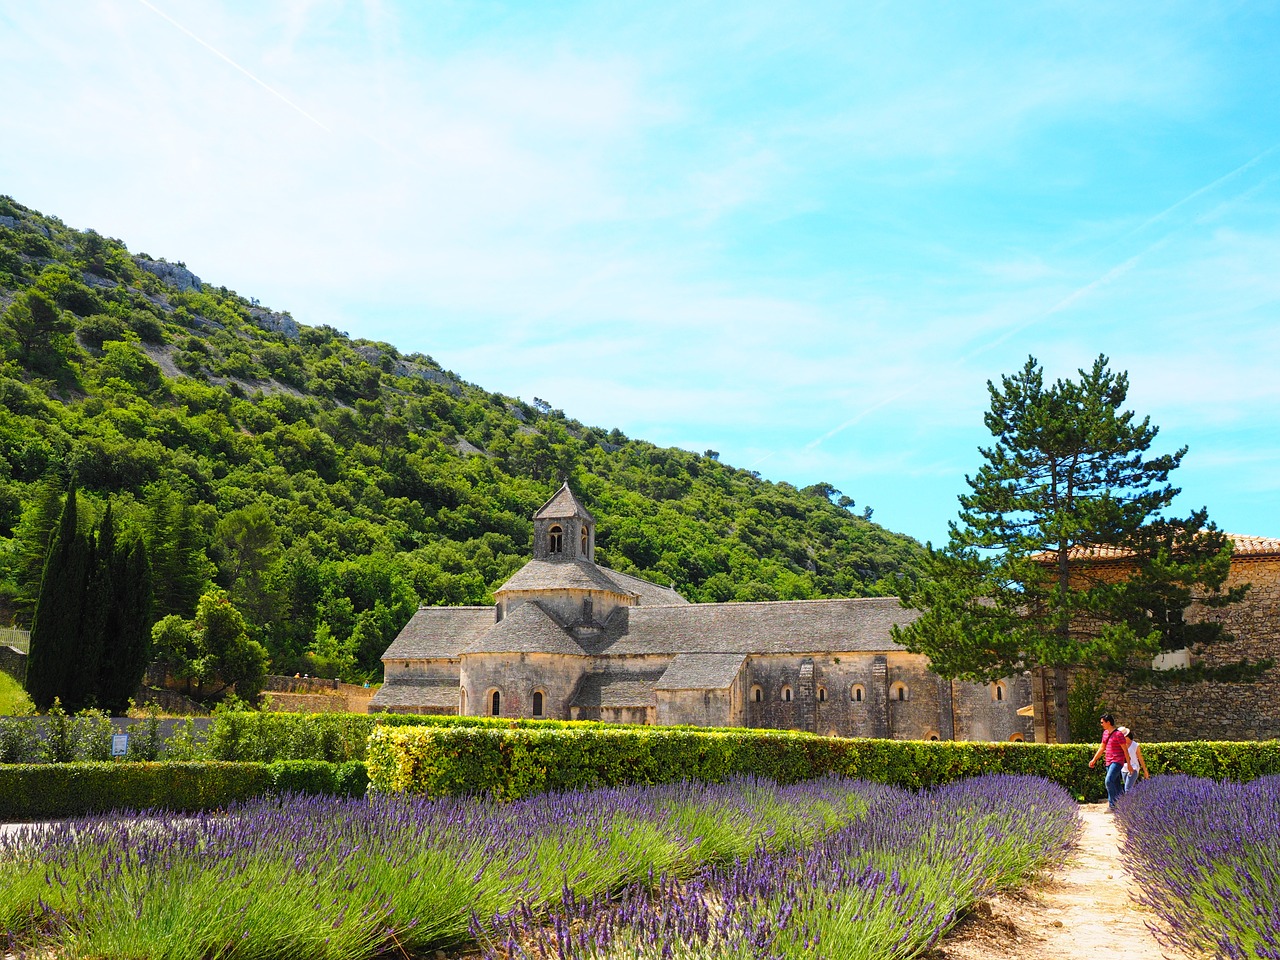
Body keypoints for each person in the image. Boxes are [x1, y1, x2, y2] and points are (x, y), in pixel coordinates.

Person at [1088, 714, 1129, 810]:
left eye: (1102, 722)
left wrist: (1129, 764)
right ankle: (1124, 804)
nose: (1101, 724)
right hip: (1108, 762)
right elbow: (1102, 748)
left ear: (1108, 722)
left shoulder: (1118, 734)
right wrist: (1094, 759)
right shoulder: (1105, 733)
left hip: (1117, 761)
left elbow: (1125, 750)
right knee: (1116, 784)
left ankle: (1112, 805)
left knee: (1108, 781)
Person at [1118, 726, 1149, 791]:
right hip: (1124, 769)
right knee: (1130, 788)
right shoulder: (1120, 746)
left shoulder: (1135, 745)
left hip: (1134, 768)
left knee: (1127, 789)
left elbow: (1140, 758)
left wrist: (1145, 771)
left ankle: (1127, 801)